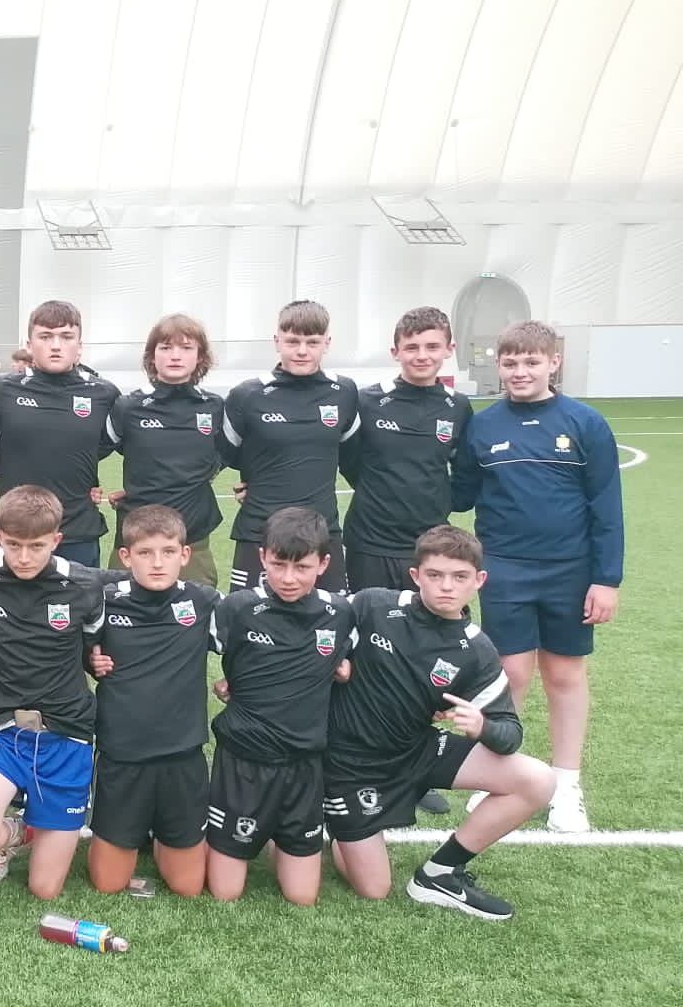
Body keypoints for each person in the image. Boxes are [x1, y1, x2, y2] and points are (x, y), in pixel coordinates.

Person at [324, 525, 556, 920]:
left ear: (479, 581)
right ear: (416, 576)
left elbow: (510, 734)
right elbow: (315, 630)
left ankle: (439, 873)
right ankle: (333, 822)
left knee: (538, 780)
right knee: (373, 889)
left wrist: (482, 726)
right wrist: (336, 661)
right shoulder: (373, 606)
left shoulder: (478, 650)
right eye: (435, 575)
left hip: (417, 750)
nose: (446, 586)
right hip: (351, 765)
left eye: (460, 576)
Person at [451, 320, 623, 834]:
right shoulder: (482, 425)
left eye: (531, 361)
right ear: (499, 366)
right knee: (510, 673)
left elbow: (606, 507)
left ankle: (567, 786)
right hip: (504, 567)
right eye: (511, 362)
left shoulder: (585, 422)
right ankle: (499, 773)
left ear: (553, 362)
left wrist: (606, 579)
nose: (520, 371)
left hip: (570, 571)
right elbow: (459, 494)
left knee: (564, 674)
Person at [0, 486, 106, 899]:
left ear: (56, 540)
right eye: (13, 544)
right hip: (4, 733)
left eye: (36, 546)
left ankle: (39, 828)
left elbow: (95, 644)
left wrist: (98, 660)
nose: (23, 557)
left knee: (44, 890)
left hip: (66, 736)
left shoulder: (84, 584)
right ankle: (18, 832)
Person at [203, 506, 353, 905]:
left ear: (323, 564)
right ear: (263, 558)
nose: (289, 578)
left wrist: (345, 669)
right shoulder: (236, 609)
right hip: (243, 762)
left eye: (302, 567)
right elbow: (179, 646)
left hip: (304, 764)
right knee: (226, 893)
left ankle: (280, 836)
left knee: (302, 897)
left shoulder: (340, 613)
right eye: (278, 565)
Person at [83, 505, 221, 897]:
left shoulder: (204, 602)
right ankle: (132, 833)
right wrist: (89, 659)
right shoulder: (104, 601)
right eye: (145, 553)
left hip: (182, 754)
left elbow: (254, 637)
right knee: (109, 885)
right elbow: (68, 642)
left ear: (185, 554)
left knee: (188, 888)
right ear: (126, 557)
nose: (157, 563)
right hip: (122, 755)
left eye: (168, 552)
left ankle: (164, 835)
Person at [218, 299, 362, 593]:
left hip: (323, 532)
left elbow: (354, 460)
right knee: (249, 616)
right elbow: (223, 455)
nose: (302, 351)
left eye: (312, 342)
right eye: (292, 341)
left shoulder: (344, 392)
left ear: (327, 343)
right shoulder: (247, 395)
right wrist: (257, 478)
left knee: (332, 618)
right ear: (277, 341)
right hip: (260, 532)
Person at [341, 307, 472, 594]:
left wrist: (439, 501)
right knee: (370, 618)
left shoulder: (458, 407)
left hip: (432, 544)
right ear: (395, 352)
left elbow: (465, 471)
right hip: (370, 542)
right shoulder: (367, 401)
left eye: (432, 347)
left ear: (449, 349)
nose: (422, 355)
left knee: (432, 619)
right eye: (412, 347)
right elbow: (347, 460)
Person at [0, 301, 120, 568]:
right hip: (15, 533)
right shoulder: (0, 391)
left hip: (77, 531)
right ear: (29, 344)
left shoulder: (104, 394)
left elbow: (104, 446)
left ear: (79, 345)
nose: (56, 345)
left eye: (66, 337)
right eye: (45, 336)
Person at [104, 314, 224, 587]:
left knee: (195, 608)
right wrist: (91, 485)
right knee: (123, 604)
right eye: (166, 347)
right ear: (151, 355)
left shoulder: (214, 407)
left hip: (192, 537)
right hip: (136, 535)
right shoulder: (128, 406)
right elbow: (93, 450)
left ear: (200, 357)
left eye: (186, 348)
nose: (175, 356)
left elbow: (227, 454)